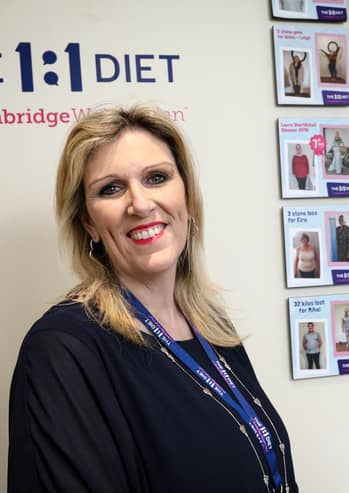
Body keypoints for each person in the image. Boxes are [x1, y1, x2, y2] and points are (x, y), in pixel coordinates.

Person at [8, 105, 298, 492]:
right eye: (111, 188)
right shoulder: (62, 348)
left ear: (187, 197)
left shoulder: (210, 324)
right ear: (89, 223)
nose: (141, 204)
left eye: (157, 178)